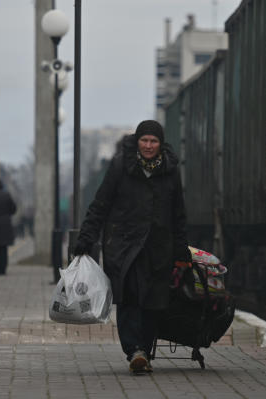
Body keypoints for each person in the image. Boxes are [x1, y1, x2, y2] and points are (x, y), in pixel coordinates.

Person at [72, 120, 192, 374]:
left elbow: (178, 213)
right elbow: (100, 204)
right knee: (129, 299)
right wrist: (86, 238)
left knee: (153, 302)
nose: (148, 146)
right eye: (144, 140)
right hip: (124, 245)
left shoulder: (170, 171)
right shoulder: (120, 166)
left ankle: (144, 351)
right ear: (137, 141)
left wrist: (181, 249)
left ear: (161, 144)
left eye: (153, 141)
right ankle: (134, 350)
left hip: (158, 248)